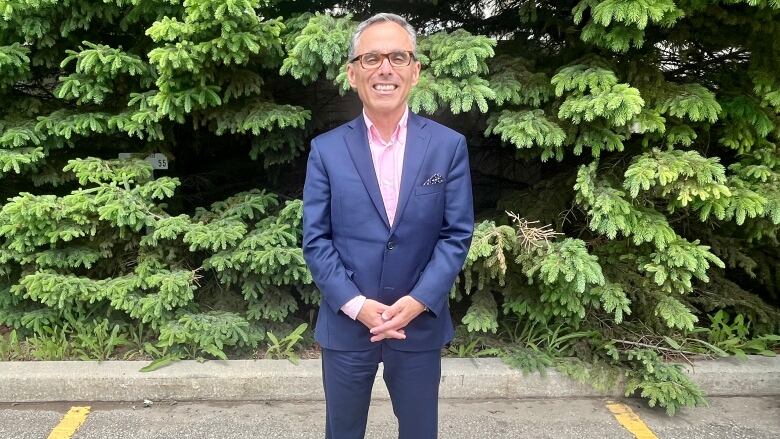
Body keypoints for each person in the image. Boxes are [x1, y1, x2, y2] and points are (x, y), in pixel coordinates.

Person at [302, 12, 474, 439]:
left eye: (398, 57)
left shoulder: (448, 147)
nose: (385, 69)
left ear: (415, 72)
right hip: (347, 324)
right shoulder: (326, 151)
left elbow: (456, 234)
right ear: (352, 73)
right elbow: (316, 239)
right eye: (372, 58)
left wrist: (418, 300)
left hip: (417, 324)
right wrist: (356, 305)